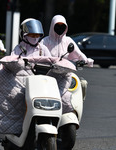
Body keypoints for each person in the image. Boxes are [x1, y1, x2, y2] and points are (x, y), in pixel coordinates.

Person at [40, 14, 93, 150]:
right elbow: (37, 53)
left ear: (66, 28)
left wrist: (86, 60)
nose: (59, 28)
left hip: (65, 76)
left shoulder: (68, 41)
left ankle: (68, 118)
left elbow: (78, 54)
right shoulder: (45, 41)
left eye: (62, 26)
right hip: (49, 76)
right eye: (57, 26)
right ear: (52, 26)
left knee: (78, 88)